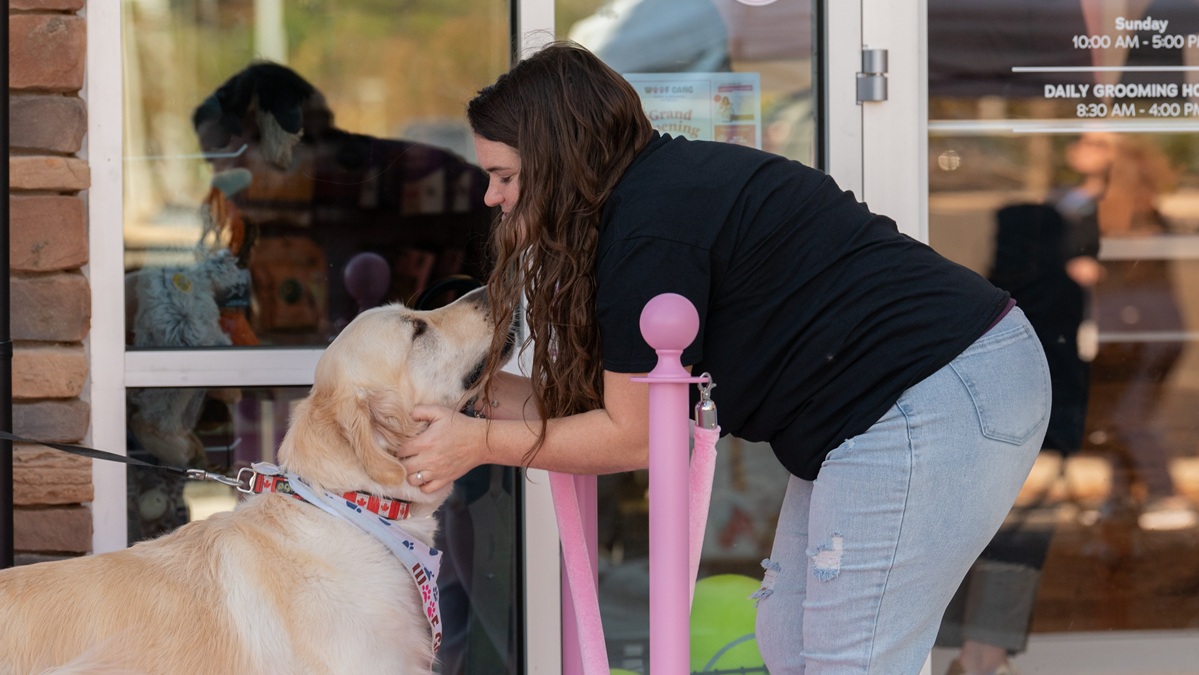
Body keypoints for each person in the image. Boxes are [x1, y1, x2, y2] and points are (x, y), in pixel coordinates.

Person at [398, 41, 1051, 673]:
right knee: (790, 640)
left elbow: (634, 438)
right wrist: (464, 394)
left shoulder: (647, 232)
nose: (491, 197)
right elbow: (622, 409)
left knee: (846, 659)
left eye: (504, 176)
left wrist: (477, 441)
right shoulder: (651, 198)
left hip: (935, 390)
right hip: (924, 391)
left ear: (556, 159)